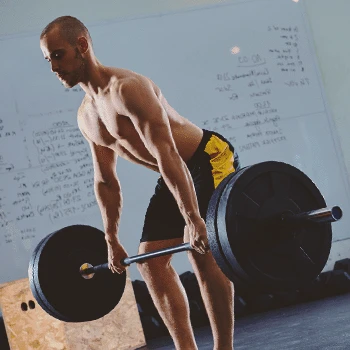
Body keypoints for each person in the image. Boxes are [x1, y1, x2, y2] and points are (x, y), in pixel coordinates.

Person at [40, 15, 240, 350]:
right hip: (173, 172)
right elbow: (105, 180)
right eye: (48, 60)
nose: (54, 68)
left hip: (206, 157)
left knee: (203, 253)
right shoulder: (87, 115)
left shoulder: (127, 88)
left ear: (82, 46)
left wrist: (193, 218)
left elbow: (169, 155)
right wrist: (111, 236)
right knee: (149, 261)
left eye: (58, 55)